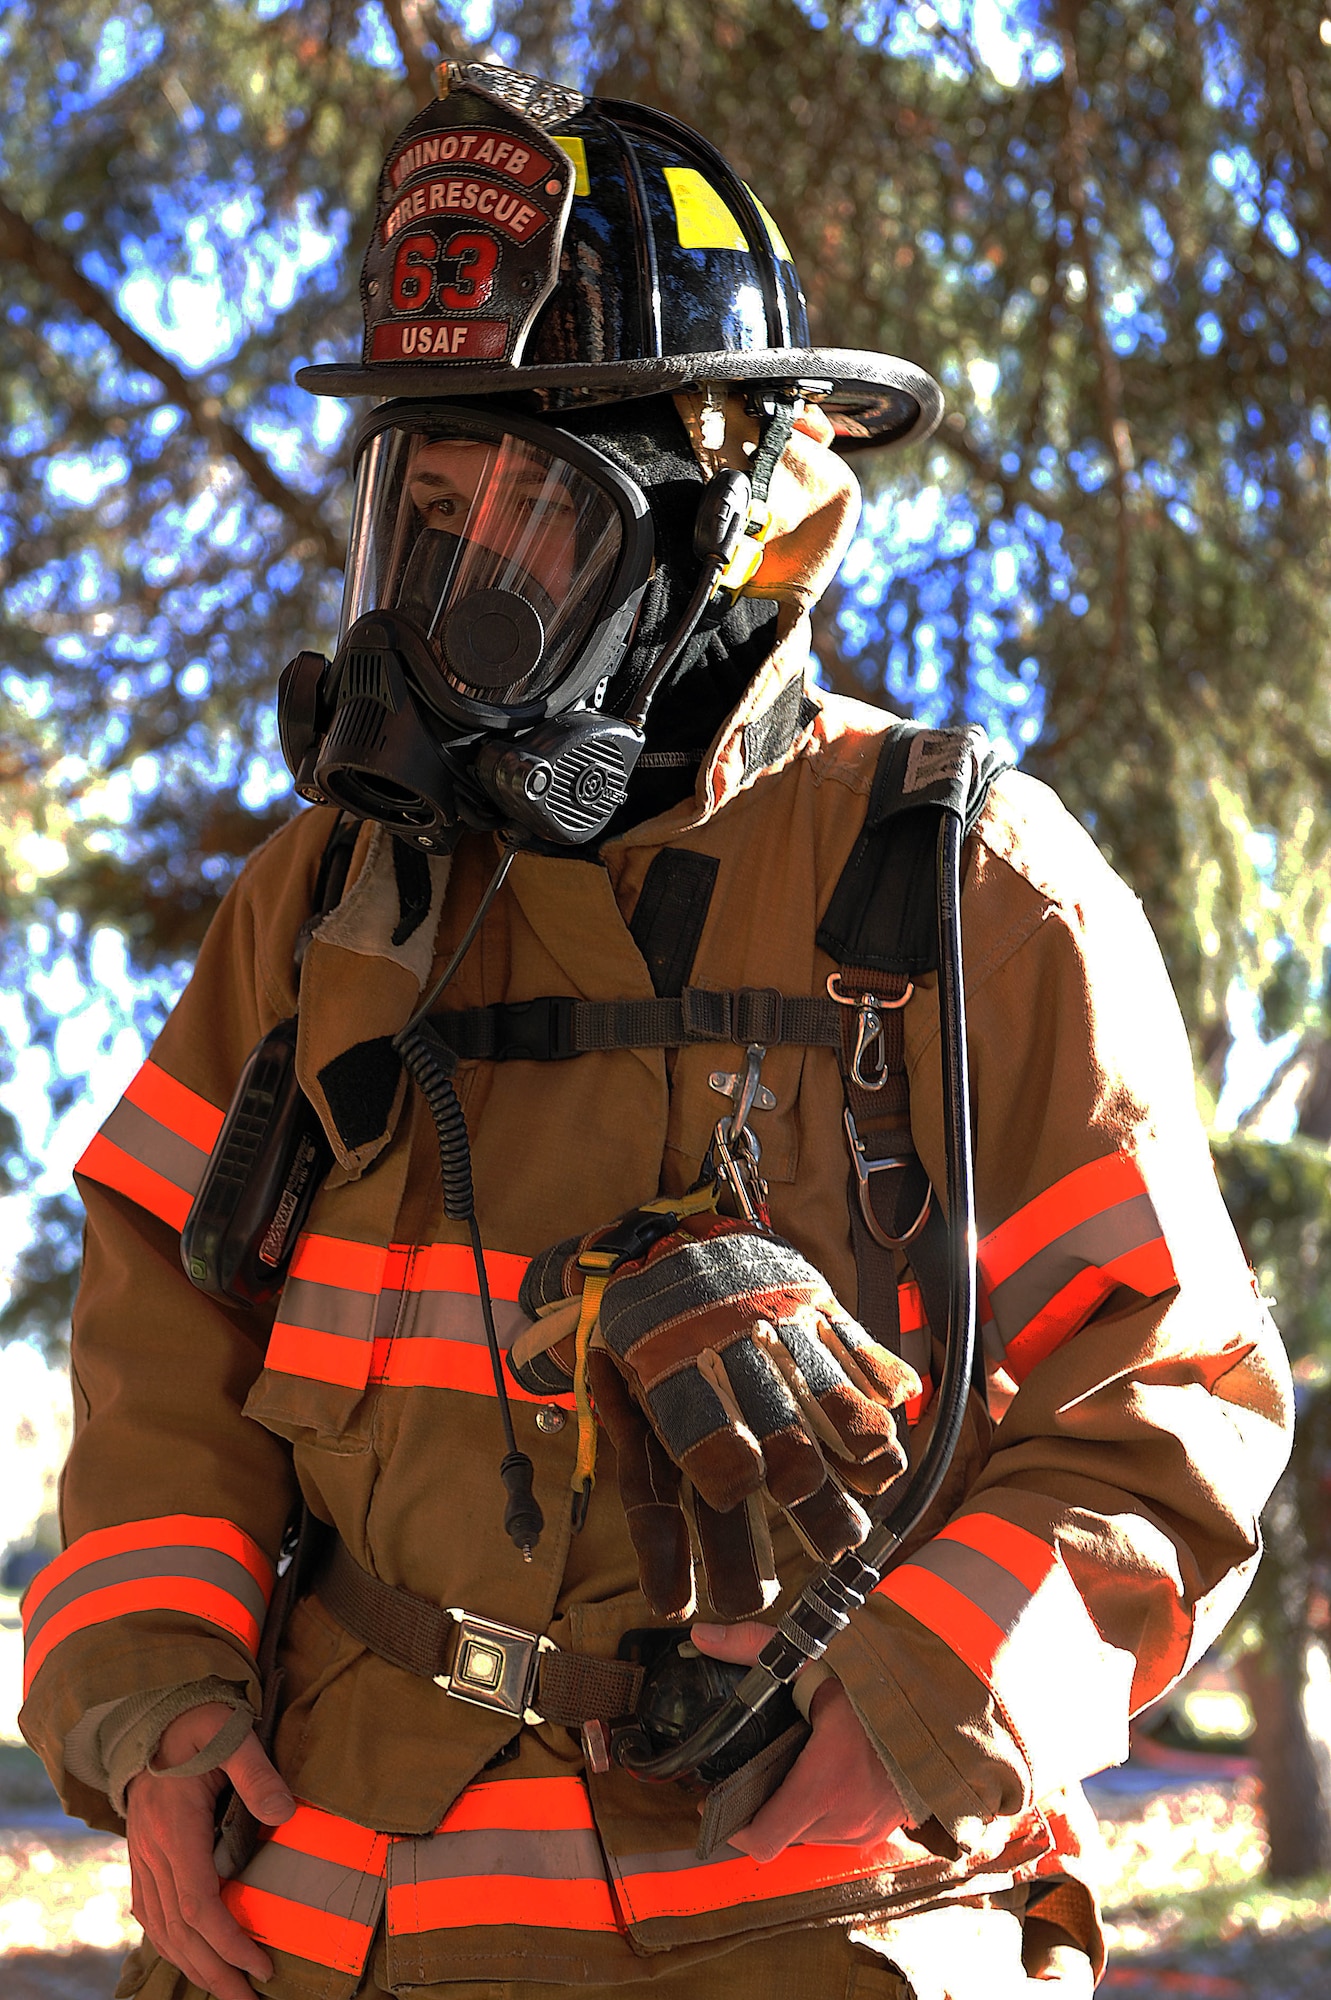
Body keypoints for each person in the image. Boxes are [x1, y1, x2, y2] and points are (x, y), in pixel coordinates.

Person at [21, 61, 1291, 2000]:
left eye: (510, 511)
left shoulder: (963, 888)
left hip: (813, 1906)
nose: (433, 602)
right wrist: (161, 1713)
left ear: (715, 511)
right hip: (334, 1915)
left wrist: (935, 1684)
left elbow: (1173, 1396)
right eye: (413, 511)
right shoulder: (322, 903)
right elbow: (158, 1355)